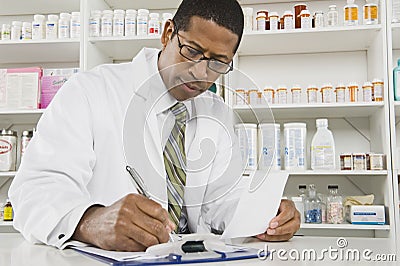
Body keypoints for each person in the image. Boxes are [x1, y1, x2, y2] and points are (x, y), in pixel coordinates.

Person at [9, 0, 300, 251]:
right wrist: (89, 221)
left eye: (218, 63)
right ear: (168, 33)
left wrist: (265, 215)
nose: (200, 72)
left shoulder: (218, 113)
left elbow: (221, 199)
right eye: (192, 51)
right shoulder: (90, 90)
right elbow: (34, 191)